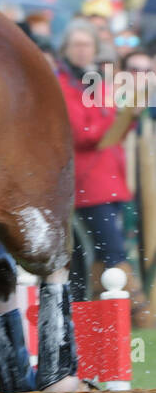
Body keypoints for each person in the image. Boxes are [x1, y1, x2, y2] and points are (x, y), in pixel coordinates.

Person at [55, 20, 148, 321]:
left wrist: (128, 117)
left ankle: (94, 319)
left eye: (87, 45)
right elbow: (83, 133)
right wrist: (117, 117)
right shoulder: (64, 83)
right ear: (66, 49)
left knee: (94, 257)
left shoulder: (94, 82)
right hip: (87, 184)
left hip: (109, 180)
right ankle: (130, 314)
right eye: (77, 45)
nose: (83, 51)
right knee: (111, 253)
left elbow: (110, 132)